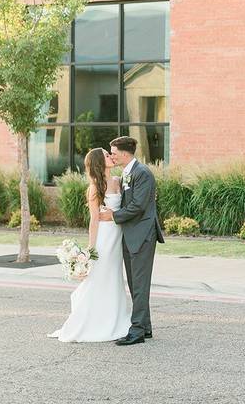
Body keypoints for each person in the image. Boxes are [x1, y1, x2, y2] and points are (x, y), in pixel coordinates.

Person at [48, 148, 132, 342]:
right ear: (98, 162)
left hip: (117, 237)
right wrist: (90, 250)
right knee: (100, 276)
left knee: (114, 276)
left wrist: (114, 215)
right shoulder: (95, 188)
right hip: (104, 238)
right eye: (106, 155)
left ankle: (115, 317)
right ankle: (92, 321)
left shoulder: (118, 181)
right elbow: (94, 220)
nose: (110, 156)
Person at [99, 135, 165, 346]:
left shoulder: (142, 173)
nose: (113, 156)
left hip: (142, 236)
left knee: (140, 284)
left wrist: (113, 216)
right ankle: (144, 327)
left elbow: (138, 206)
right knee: (136, 283)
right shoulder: (128, 173)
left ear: (125, 153)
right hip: (130, 234)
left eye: (114, 153)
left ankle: (136, 331)